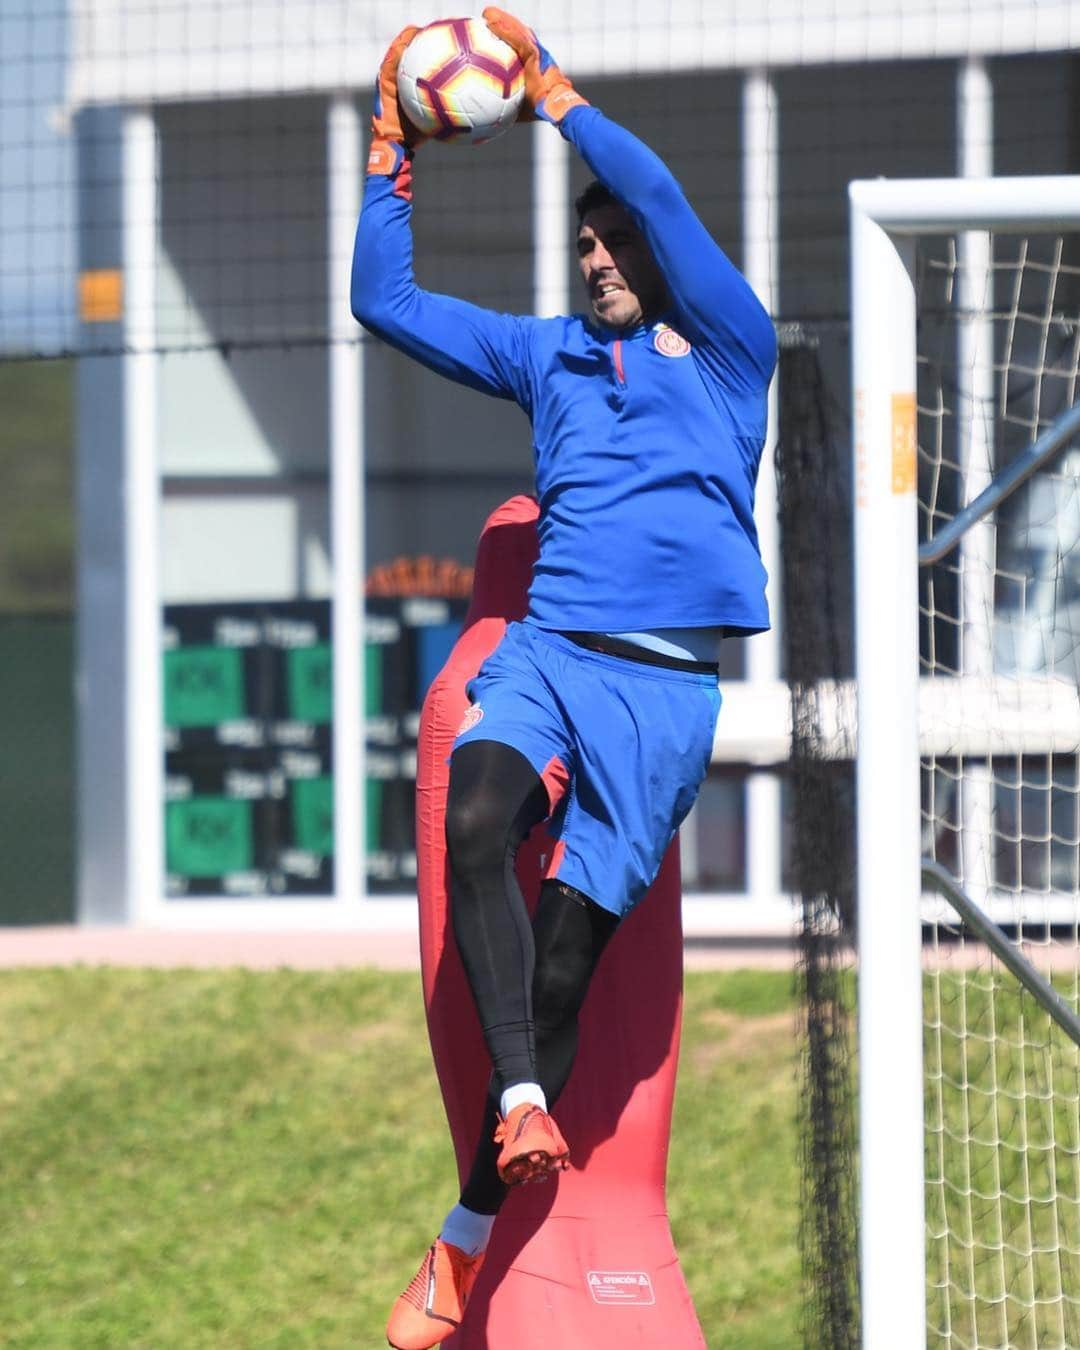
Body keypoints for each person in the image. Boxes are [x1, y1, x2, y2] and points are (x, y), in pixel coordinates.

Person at [353, 11, 776, 1348]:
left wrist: (555, 101)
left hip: (660, 697)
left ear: (663, 261)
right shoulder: (547, 359)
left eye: (613, 242)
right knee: (474, 816)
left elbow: (650, 189)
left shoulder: (729, 354)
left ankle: (467, 1231)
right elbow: (385, 305)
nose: (597, 254)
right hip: (544, 657)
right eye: (583, 243)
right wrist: (386, 158)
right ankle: (519, 1103)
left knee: (565, 969)